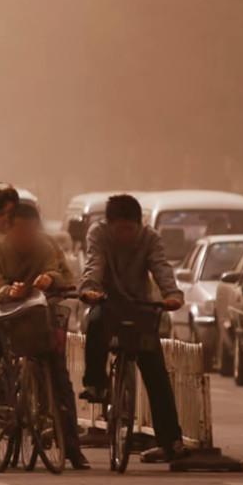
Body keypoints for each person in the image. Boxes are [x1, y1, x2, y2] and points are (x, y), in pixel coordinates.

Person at [0, 203, 87, 472]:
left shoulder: (46, 246)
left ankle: (72, 449)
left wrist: (49, 279)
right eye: (20, 230)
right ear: (6, 227)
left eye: (30, 230)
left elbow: (59, 273)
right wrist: (9, 291)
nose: (26, 236)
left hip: (36, 321)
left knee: (59, 380)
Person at [80, 193, 187, 462]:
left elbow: (161, 267)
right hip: (106, 302)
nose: (126, 234)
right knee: (95, 323)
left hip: (140, 305)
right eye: (121, 229)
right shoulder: (99, 234)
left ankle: (170, 440)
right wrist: (90, 289)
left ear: (139, 225)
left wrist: (172, 295)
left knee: (156, 373)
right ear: (110, 224)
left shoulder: (150, 238)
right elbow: (94, 264)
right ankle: (95, 384)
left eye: (131, 228)